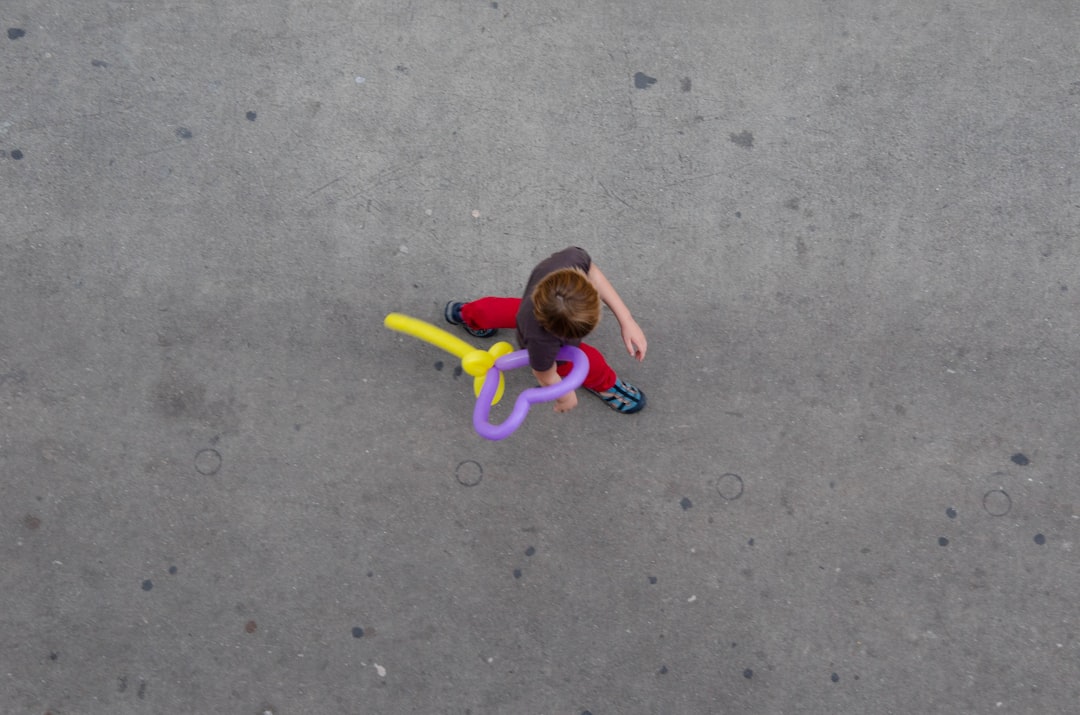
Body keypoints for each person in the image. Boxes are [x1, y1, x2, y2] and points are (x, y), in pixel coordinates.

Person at [444, 247, 647, 414]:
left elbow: (592, 270)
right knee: (588, 361)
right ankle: (606, 384)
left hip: (530, 304)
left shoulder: (569, 261)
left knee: (497, 310)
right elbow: (545, 375)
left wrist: (626, 319)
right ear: (564, 333)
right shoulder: (542, 342)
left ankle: (466, 314)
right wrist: (565, 396)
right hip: (537, 331)